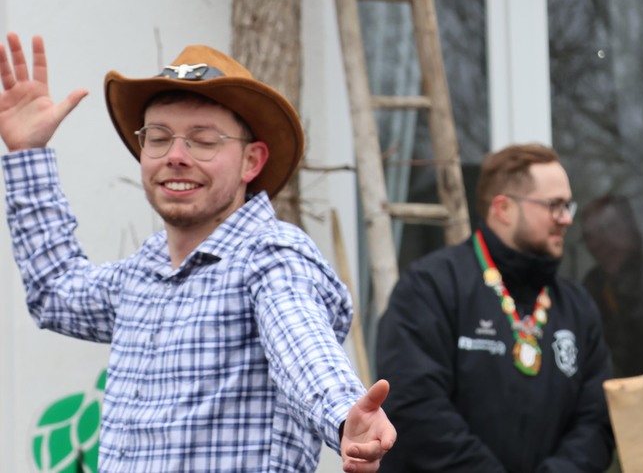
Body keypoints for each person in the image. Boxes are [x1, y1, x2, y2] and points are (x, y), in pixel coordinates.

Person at [1, 35, 396, 472]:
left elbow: (300, 343)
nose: (175, 156)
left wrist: (344, 415)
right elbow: (55, 291)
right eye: (158, 137)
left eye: (203, 140)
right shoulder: (141, 274)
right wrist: (27, 154)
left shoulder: (271, 256)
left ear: (251, 161)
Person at [375, 143, 614, 472]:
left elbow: (597, 422)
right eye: (554, 205)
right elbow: (415, 407)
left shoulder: (576, 306)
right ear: (503, 208)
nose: (566, 219)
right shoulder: (431, 287)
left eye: (567, 205)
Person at [580, 194, 643, 376]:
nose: (599, 243)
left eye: (609, 227)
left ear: (633, 228)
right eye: (589, 236)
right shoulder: (591, 288)